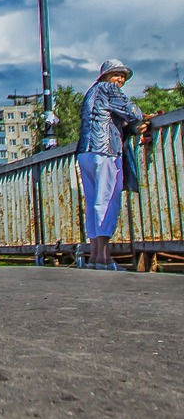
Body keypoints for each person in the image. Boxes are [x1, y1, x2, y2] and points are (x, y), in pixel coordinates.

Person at [77, 59, 150, 271]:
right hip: (105, 150)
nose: (120, 80)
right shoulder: (109, 89)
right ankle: (105, 258)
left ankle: (95, 257)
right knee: (107, 202)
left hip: (86, 152)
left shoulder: (91, 92)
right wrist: (141, 118)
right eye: (117, 74)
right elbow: (132, 112)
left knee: (93, 203)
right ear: (106, 76)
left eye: (123, 77)